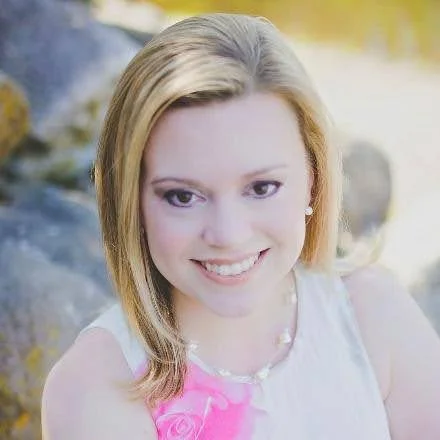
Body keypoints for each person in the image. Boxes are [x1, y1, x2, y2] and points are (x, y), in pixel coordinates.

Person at [41, 13, 440, 439]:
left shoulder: (373, 317)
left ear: (313, 178)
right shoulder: (98, 385)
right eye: (183, 196)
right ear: (130, 202)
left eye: (262, 187)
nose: (228, 235)